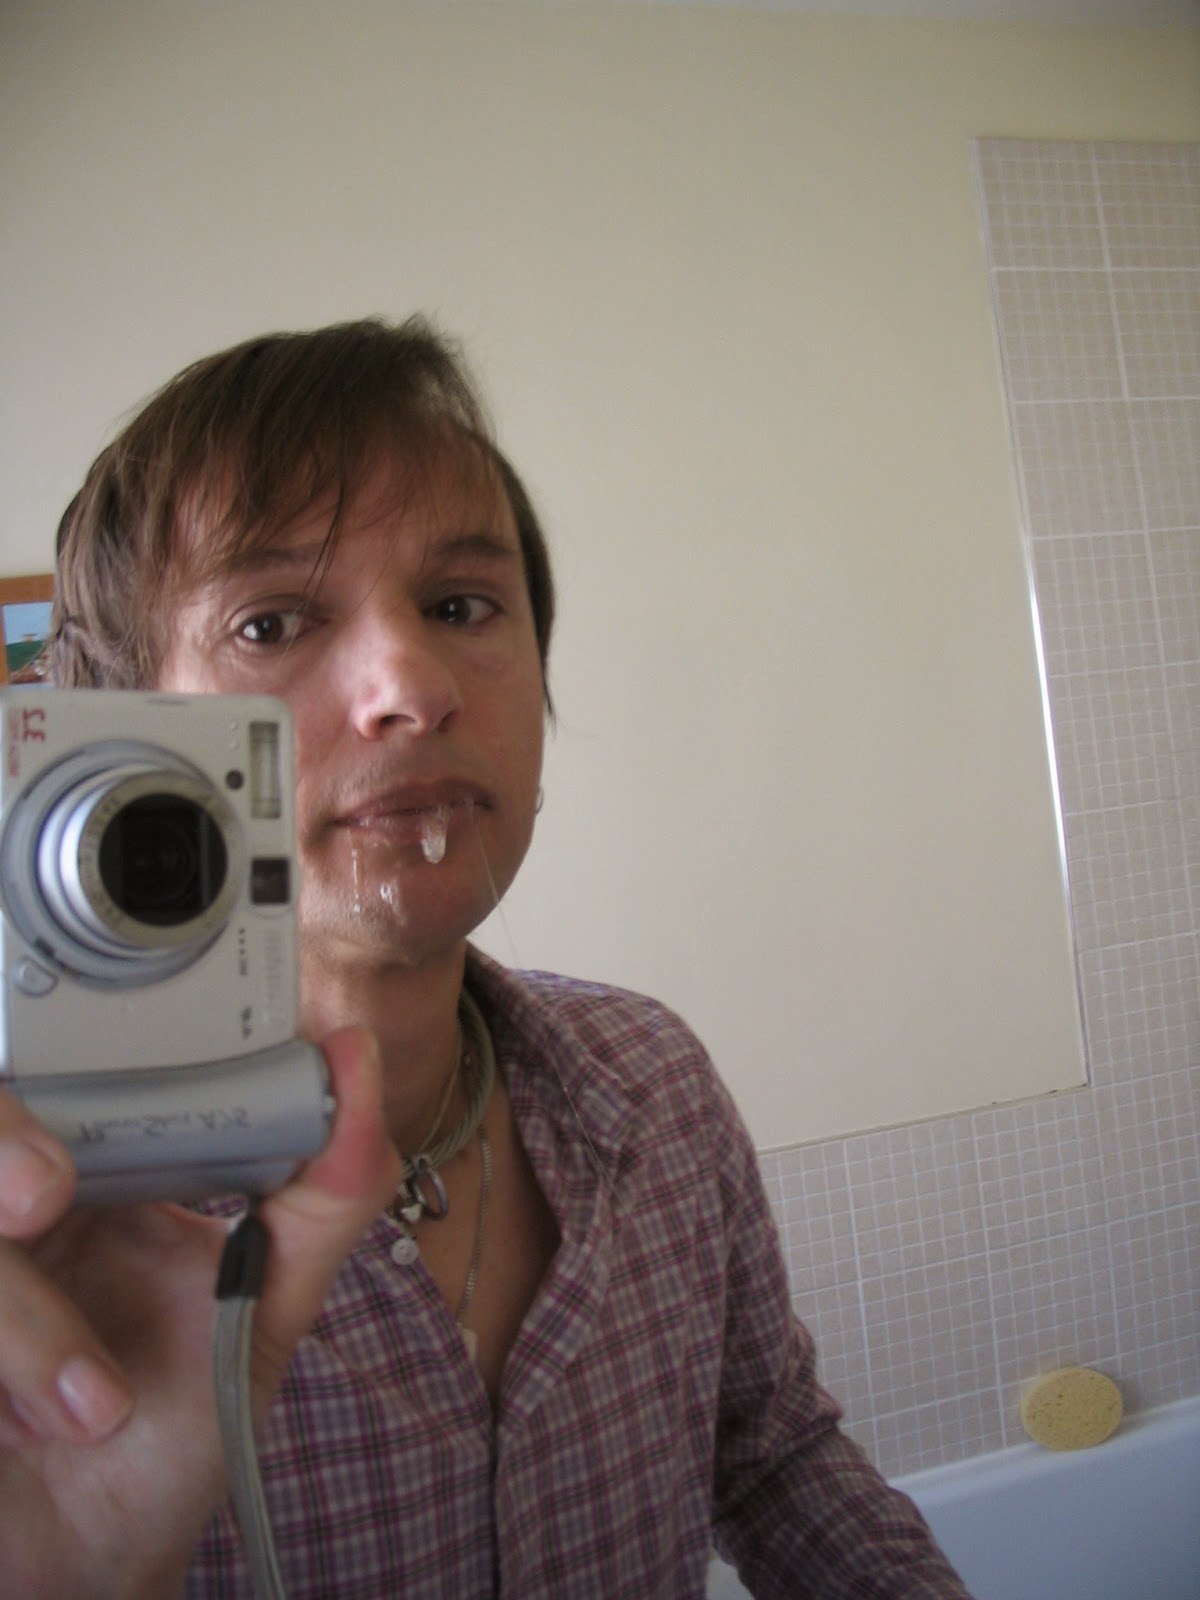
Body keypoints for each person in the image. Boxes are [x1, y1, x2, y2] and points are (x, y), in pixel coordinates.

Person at [0, 317, 972, 1598]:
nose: (412, 685)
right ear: (129, 725)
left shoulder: (655, 1086)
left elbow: (774, 1455)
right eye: (272, 622)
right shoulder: (65, 1231)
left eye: (462, 606)